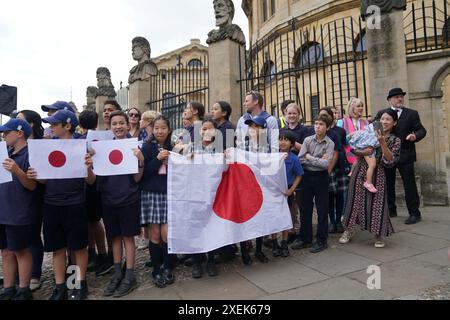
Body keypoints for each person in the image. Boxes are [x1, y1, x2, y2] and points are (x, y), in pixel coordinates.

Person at [27, 110, 95, 300]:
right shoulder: (46, 148)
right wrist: (35, 176)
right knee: (57, 248)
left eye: (54, 124)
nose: (50, 128)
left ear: (67, 126)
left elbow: (91, 181)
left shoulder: (81, 147)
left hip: (75, 204)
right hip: (52, 203)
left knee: (77, 247)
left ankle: (78, 284)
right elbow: (43, 182)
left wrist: (89, 167)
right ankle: (60, 287)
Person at [90, 111, 144, 298]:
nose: (118, 126)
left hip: (128, 198)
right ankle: (117, 273)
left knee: (128, 237)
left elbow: (137, 178)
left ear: (128, 125)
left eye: (122, 123)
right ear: (110, 126)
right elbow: (96, 177)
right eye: (115, 124)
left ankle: (129, 274)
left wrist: (141, 161)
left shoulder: (134, 146)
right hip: (109, 198)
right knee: (114, 238)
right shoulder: (103, 147)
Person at [339, 109, 401, 248]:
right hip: (359, 169)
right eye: (382, 119)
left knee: (377, 203)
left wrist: (382, 142)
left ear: (394, 122)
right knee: (353, 200)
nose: (384, 122)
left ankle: (378, 234)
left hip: (378, 173)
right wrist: (364, 152)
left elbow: (390, 160)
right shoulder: (368, 132)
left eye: (388, 119)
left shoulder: (395, 140)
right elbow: (354, 148)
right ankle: (348, 230)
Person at [374, 88, 427, 224]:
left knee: (409, 184)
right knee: (388, 183)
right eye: (396, 97)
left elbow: (421, 130)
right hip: (387, 154)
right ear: (389, 99)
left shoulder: (412, 113)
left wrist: (415, 135)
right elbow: (372, 127)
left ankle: (414, 213)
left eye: (401, 97)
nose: (400, 99)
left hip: (406, 154)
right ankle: (391, 209)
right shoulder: (382, 113)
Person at [0, 119, 36, 300]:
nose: (4, 136)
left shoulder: (31, 154)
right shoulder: (5, 152)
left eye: (7, 133)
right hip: (3, 209)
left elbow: (31, 185)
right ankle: (8, 289)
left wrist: (16, 170)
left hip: (19, 211)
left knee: (21, 251)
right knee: (5, 251)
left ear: (19, 133)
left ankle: (24, 289)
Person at [140, 116, 175, 288]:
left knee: (167, 234)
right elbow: (143, 174)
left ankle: (168, 267)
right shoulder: (147, 147)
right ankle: (156, 269)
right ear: (152, 130)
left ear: (169, 130)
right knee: (154, 235)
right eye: (157, 128)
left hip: (169, 193)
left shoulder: (175, 147)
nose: (160, 131)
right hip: (152, 193)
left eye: (163, 128)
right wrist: (158, 159)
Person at [293, 114, 335, 253]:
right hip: (307, 176)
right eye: (316, 123)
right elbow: (300, 159)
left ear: (327, 127)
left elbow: (325, 164)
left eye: (321, 124)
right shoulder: (307, 140)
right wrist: (316, 159)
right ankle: (305, 238)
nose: (317, 126)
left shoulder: (330, 143)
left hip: (321, 177)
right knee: (305, 208)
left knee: (322, 209)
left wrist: (309, 156)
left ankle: (321, 240)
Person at [77, 111, 111, 276]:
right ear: (97, 122)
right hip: (96, 181)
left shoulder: (77, 140)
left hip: (90, 183)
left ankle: (98, 253)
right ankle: (100, 253)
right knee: (93, 221)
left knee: (93, 221)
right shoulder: (103, 138)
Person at [15, 110, 45, 291]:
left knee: (33, 235)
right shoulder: (14, 146)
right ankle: (20, 274)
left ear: (30, 124)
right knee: (21, 237)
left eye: (19, 120)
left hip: (38, 193)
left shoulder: (41, 145)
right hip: (19, 195)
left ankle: (35, 274)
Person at [188, 119, 220, 278]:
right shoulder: (191, 147)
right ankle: (196, 261)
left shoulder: (219, 149)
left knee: (211, 226)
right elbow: (180, 164)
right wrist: (187, 157)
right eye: (203, 129)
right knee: (196, 227)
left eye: (210, 129)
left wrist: (227, 157)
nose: (206, 131)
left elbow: (225, 168)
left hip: (213, 194)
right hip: (195, 194)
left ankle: (211, 260)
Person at [271, 130, 303, 258]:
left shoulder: (294, 159)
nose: (282, 142)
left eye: (286, 140)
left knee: (285, 217)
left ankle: (284, 242)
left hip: (287, 190)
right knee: (274, 217)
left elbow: (299, 175)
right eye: (280, 139)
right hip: (274, 191)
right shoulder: (272, 157)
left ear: (291, 144)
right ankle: (274, 242)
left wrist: (292, 190)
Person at [327, 106, 349, 234]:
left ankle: (339, 221)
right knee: (329, 195)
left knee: (340, 195)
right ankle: (332, 221)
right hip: (327, 167)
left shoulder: (340, 130)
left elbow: (344, 147)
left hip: (339, 166)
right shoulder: (319, 131)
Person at [336, 98, 369, 166]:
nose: (361, 108)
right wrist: (350, 136)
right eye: (358, 106)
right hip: (348, 159)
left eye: (362, 106)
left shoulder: (366, 122)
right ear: (352, 108)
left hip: (365, 158)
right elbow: (338, 141)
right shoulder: (341, 122)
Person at [348, 122, 379, 193]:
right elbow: (376, 144)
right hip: (367, 149)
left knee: (357, 160)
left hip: (359, 147)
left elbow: (350, 135)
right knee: (372, 165)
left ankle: (351, 172)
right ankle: (368, 182)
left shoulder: (362, 131)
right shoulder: (373, 135)